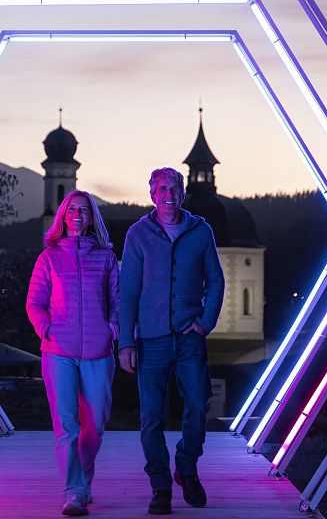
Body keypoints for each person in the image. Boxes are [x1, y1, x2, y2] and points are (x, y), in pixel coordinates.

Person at [119, 167, 224, 515]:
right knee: (152, 417)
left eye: (174, 187)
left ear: (182, 193)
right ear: (152, 194)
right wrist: (125, 341)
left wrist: (205, 323)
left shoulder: (200, 231)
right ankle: (160, 486)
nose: (169, 194)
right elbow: (128, 291)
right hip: (150, 340)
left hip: (189, 336)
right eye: (162, 188)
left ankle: (187, 466)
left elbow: (217, 281)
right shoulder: (138, 235)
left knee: (199, 403)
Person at [27, 190, 119, 517]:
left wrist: (112, 329)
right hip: (58, 353)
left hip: (98, 352)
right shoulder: (48, 258)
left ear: (92, 217)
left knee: (94, 424)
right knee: (66, 425)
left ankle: (82, 479)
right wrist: (46, 328)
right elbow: (35, 303)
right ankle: (73, 491)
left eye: (84, 210)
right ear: (63, 217)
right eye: (72, 210)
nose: (77, 215)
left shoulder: (106, 258)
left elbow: (117, 302)